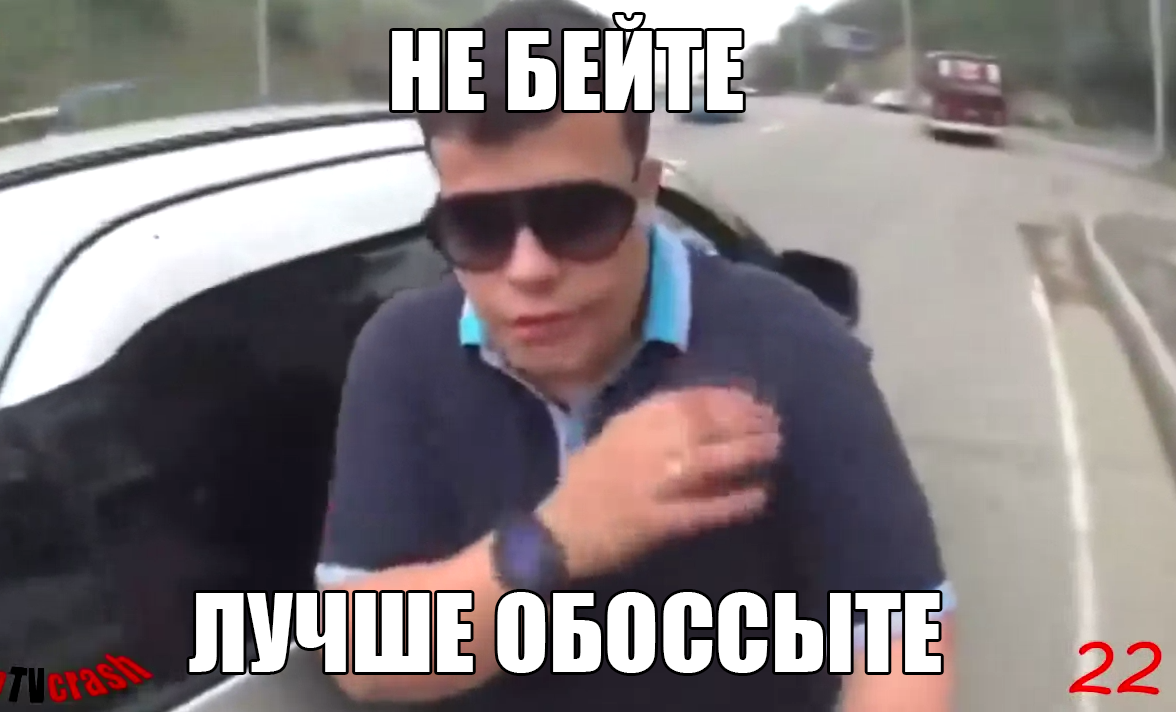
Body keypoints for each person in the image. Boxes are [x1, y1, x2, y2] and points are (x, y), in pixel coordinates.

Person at [316, 1, 955, 710]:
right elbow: (362, 657)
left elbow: (902, 642)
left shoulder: (792, 343)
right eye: (478, 227)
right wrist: (557, 539)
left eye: (576, 217)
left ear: (645, 194)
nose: (529, 270)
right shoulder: (403, 352)